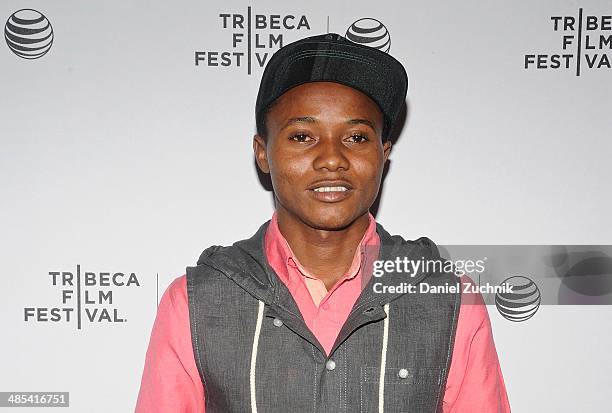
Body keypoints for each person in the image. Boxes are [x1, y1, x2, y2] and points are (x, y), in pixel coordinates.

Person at [135, 33, 511, 412]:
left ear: (383, 154)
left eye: (355, 137)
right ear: (263, 153)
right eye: (302, 136)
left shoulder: (449, 300)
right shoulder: (196, 302)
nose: (332, 158)